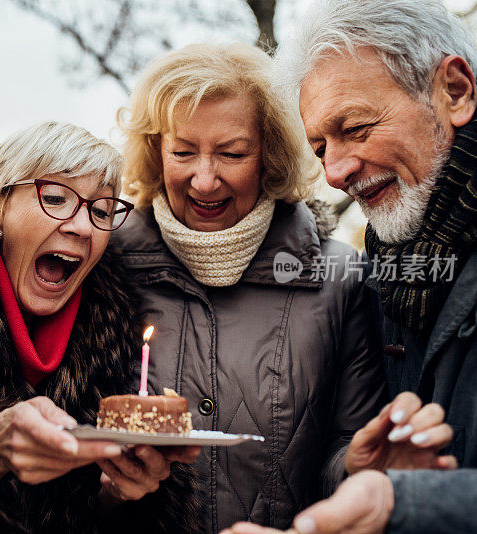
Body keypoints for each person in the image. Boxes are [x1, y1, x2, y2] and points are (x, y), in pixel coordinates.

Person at [224, 1, 477, 533]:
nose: (335, 173)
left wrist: (409, 506)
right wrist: (361, 472)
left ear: (455, 90)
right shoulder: (388, 269)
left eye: (356, 128)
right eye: (321, 147)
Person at [112, 42, 389, 533]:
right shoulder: (105, 266)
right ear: (155, 150)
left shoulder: (340, 279)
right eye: (182, 151)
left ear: (271, 156)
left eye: (232, 153)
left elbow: (347, 447)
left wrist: (357, 468)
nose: (204, 180)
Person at [0, 121, 202, 533]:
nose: (83, 227)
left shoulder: (112, 340)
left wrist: (116, 496)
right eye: (55, 198)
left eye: (102, 211)